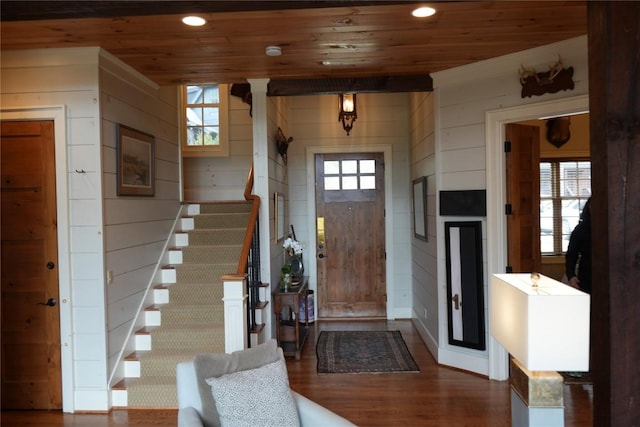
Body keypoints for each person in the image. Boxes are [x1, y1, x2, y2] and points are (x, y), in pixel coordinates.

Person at [564, 197, 592, 379]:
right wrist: (572, 276)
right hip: (586, 280)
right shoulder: (581, 230)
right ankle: (578, 364)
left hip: (613, 282)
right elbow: (571, 255)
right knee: (584, 323)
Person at [565, 197, 592, 294]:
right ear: (589, 208)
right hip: (587, 273)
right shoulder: (581, 228)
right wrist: (571, 275)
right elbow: (572, 254)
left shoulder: (614, 227)